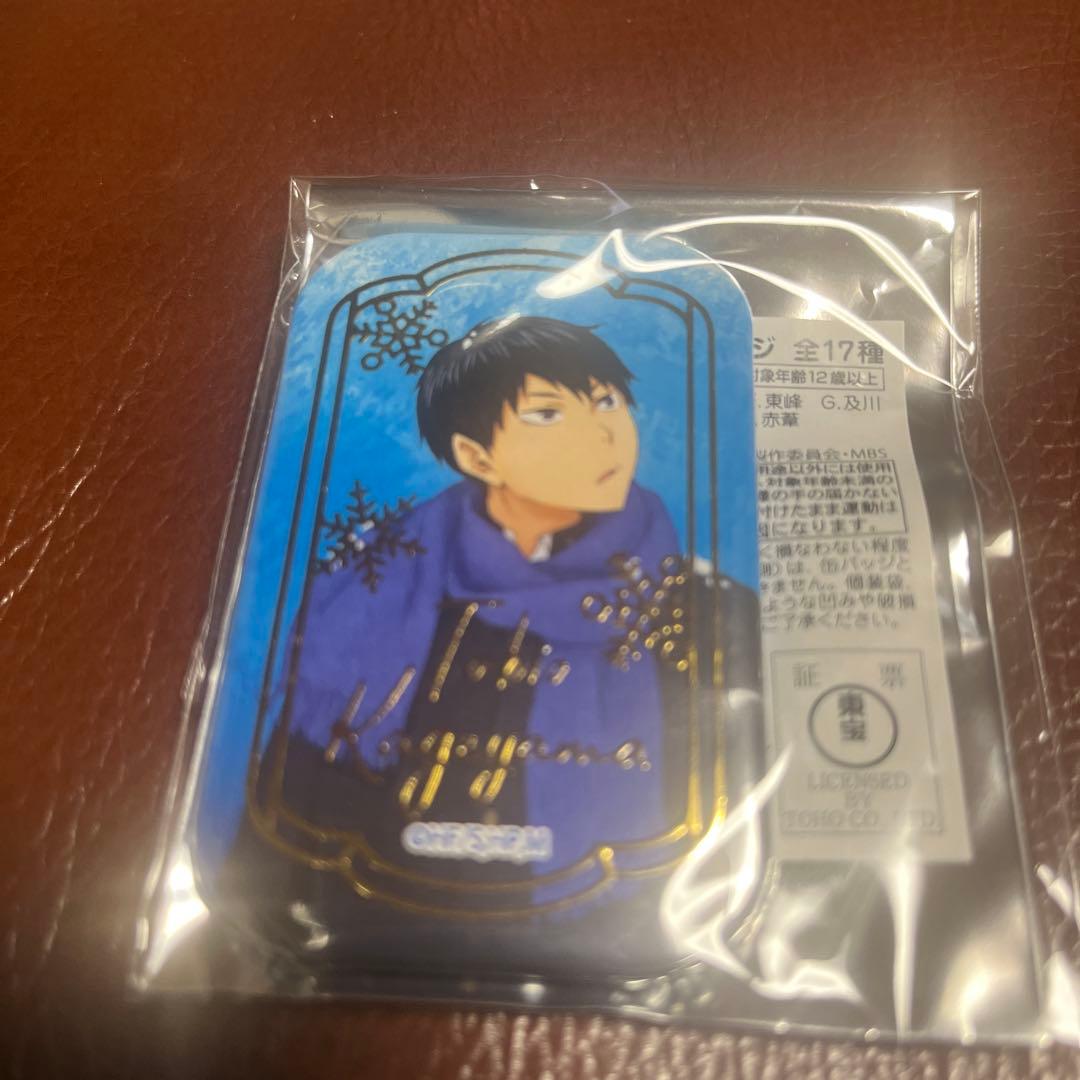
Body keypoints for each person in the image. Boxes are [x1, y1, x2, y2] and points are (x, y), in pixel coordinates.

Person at [223, 316, 755, 973]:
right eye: (548, 413)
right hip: (368, 938)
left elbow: (735, 847)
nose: (603, 434)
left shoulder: (702, 614)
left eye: (608, 402)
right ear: (477, 457)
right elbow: (288, 827)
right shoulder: (373, 595)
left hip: (619, 955)